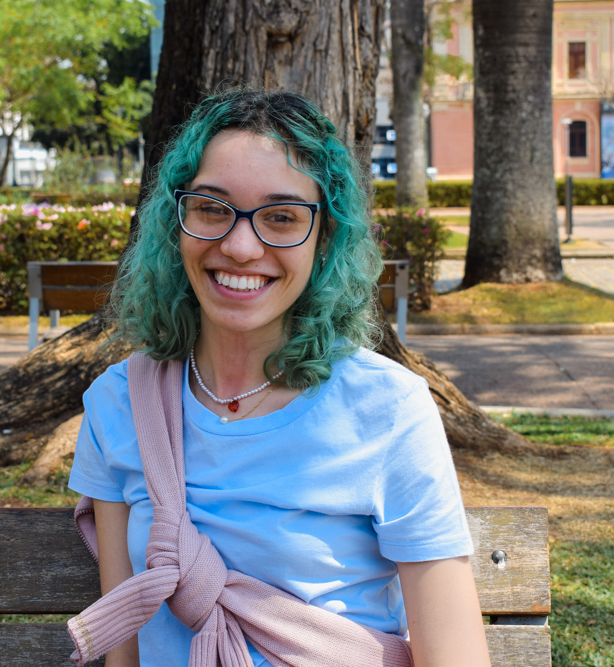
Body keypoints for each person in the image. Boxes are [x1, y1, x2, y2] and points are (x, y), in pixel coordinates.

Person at [67, 89, 491, 667]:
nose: (241, 246)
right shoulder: (120, 404)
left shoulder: (389, 408)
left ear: (325, 241)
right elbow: (125, 653)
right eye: (212, 208)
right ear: (176, 223)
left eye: (282, 217)